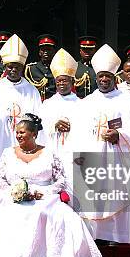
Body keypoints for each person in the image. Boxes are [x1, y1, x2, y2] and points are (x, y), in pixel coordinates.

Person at [0, 114, 106, 257]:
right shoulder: (8, 153)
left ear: (34, 134)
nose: (18, 135)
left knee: (56, 214)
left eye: (22, 132)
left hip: (45, 197)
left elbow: (61, 179)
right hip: (15, 198)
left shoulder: (49, 153)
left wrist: (42, 192)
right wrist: (12, 192)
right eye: (17, 132)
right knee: (12, 213)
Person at [0, 34, 41, 253]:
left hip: (25, 152)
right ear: (5, 67)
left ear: (22, 66)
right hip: (3, 151)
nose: (13, 70)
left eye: (17, 66)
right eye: (10, 66)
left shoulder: (31, 91)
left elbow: (36, 124)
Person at [75, 44, 130, 245]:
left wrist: (119, 136)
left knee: (115, 192)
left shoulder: (126, 101)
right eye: (101, 76)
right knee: (95, 195)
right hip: (94, 157)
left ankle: (115, 236)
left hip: (116, 157)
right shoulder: (86, 102)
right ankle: (96, 234)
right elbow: (79, 132)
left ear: (115, 78)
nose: (104, 79)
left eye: (108, 76)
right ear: (96, 77)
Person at [39, 48, 80, 197]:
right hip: (53, 152)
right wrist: (53, 126)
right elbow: (39, 131)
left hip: (74, 156)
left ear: (72, 81)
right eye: (59, 81)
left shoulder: (82, 104)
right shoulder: (47, 104)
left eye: (65, 80)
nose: (62, 83)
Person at [25, 34, 58, 100]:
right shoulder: (31, 68)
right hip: (37, 102)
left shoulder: (59, 68)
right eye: (43, 50)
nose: (46, 52)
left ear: (54, 51)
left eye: (49, 49)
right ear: (39, 52)